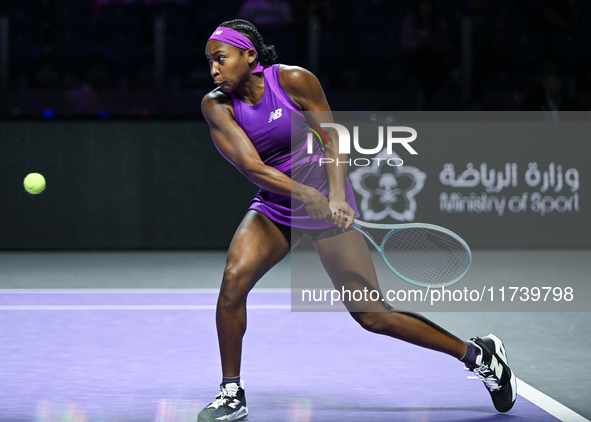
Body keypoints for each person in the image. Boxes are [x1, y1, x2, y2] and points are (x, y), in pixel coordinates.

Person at [198, 19, 516, 421]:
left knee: (373, 316)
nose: (213, 69)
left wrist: (333, 195)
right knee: (233, 281)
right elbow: (253, 168)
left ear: (250, 56)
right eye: (209, 62)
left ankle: (479, 356)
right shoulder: (217, 105)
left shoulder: (294, 81)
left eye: (220, 59)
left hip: (326, 199)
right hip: (280, 203)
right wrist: (304, 194)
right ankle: (231, 393)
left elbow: (332, 138)